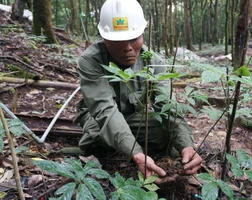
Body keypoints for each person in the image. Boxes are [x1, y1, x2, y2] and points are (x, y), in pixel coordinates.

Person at [74, 0, 202, 183]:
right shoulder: (91, 61)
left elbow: (167, 107)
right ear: (104, 38)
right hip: (99, 118)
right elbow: (104, 110)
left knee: (170, 134)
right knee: (97, 131)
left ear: (142, 33)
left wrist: (187, 145)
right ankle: (115, 147)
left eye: (134, 38)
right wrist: (136, 153)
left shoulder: (153, 62)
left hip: (134, 118)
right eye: (118, 40)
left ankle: (124, 145)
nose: (127, 48)